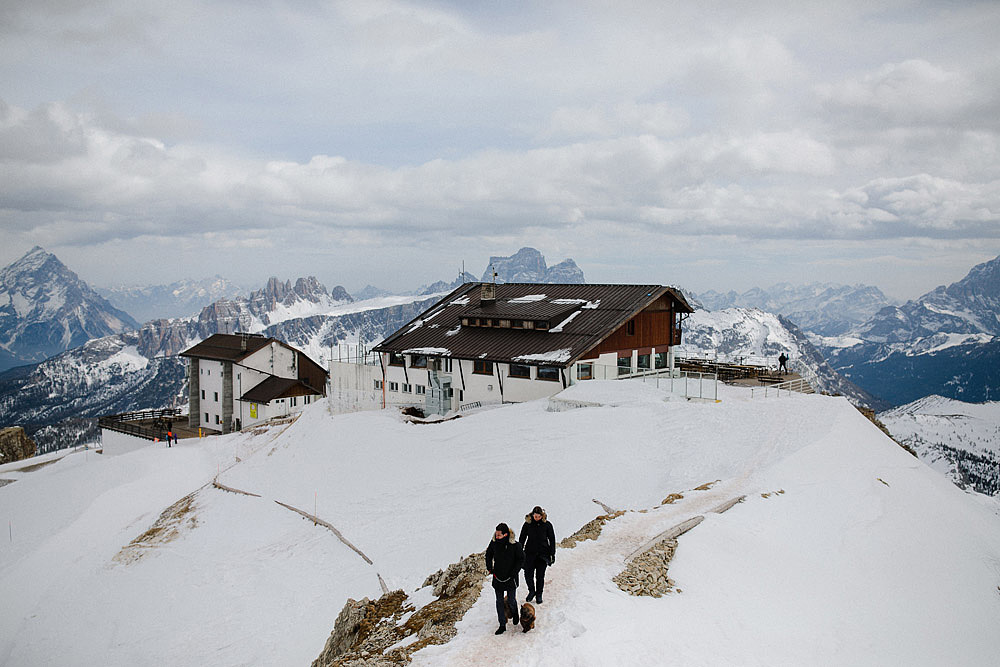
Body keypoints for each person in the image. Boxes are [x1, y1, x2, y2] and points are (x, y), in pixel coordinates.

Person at [485, 522, 523, 635]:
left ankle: (515, 614)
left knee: (511, 600)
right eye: (496, 534)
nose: (496, 536)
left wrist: (514, 572)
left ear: (506, 535)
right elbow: (488, 554)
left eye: (499, 535)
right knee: (499, 601)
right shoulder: (494, 543)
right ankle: (502, 624)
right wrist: (489, 567)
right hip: (498, 577)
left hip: (511, 578)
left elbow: (521, 559)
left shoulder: (515, 545)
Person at [520, 506, 556, 604]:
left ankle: (539, 594)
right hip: (529, 554)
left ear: (542, 515)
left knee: (540, 576)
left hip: (542, 555)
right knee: (528, 575)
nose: (536, 518)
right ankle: (531, 591)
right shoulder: (527, 524)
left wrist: (552, 554)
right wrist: (519, 551)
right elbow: (522, 538)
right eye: (535, 516)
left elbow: (552, 539)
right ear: (532, 515)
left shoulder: (547, 525)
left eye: (538, 516)